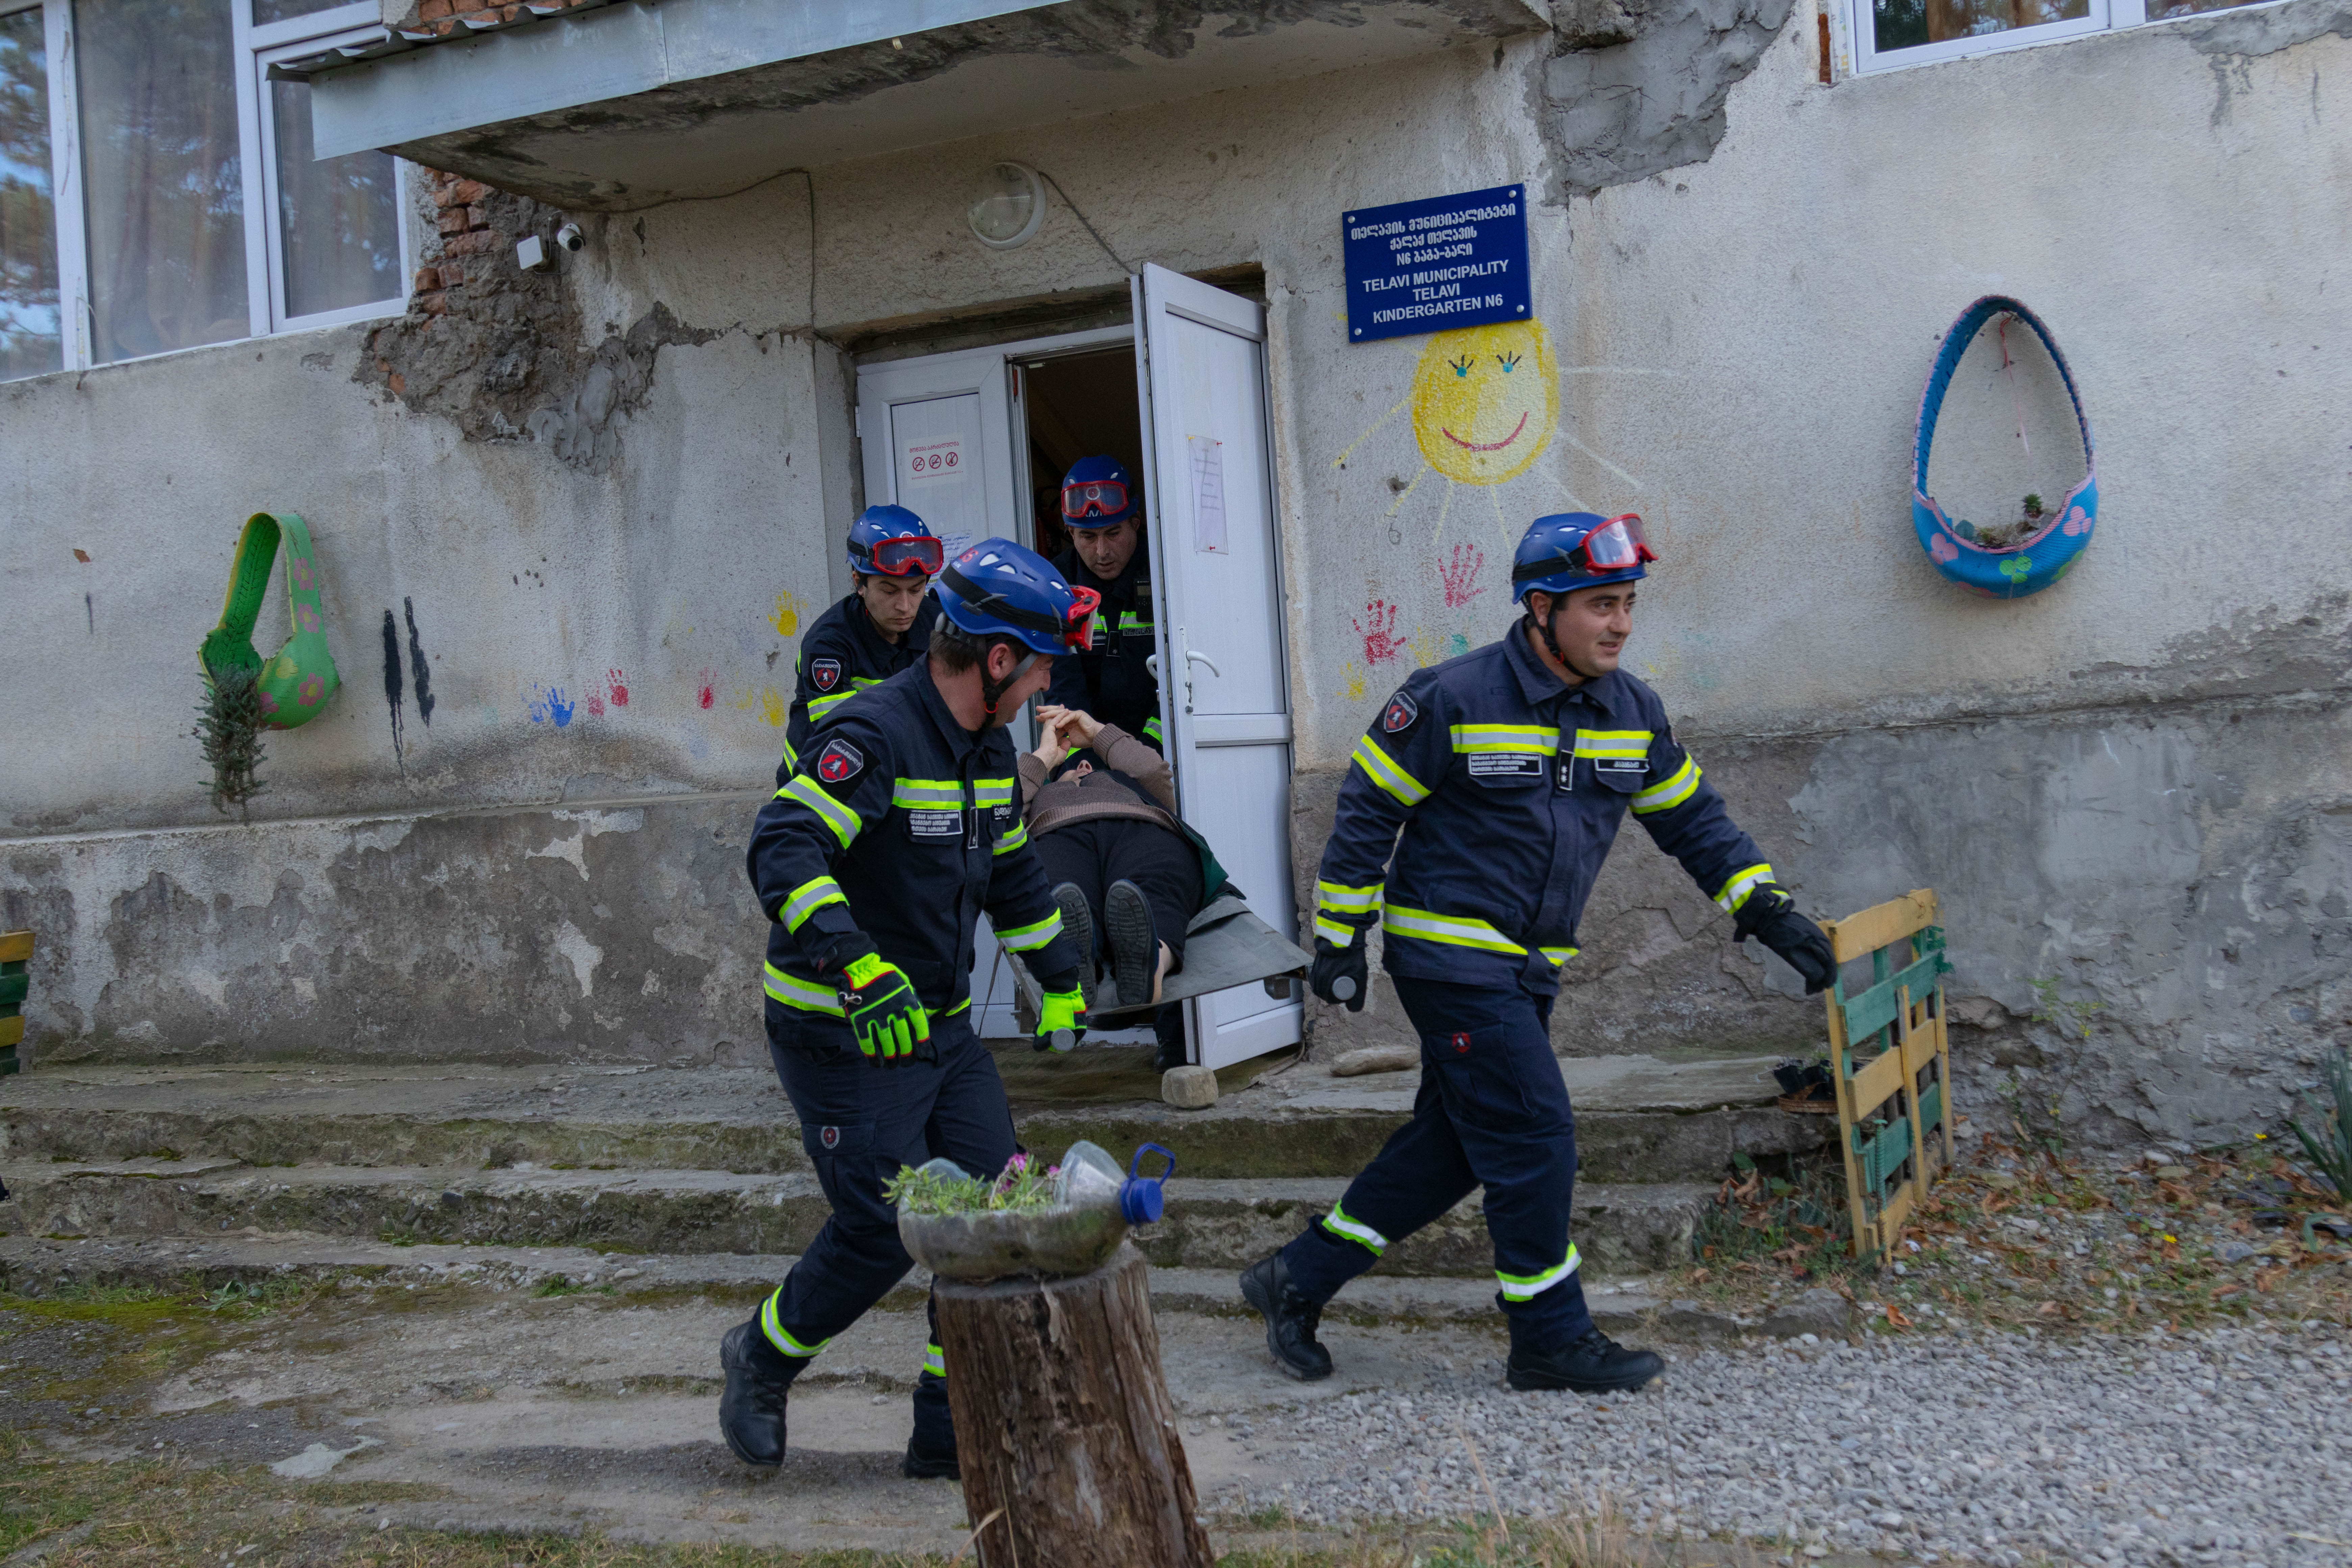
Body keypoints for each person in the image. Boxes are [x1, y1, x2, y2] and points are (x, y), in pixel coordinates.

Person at [1240, 512, 1837, 1395]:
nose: (1621, 624)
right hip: (1451, 959)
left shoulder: (1632, 712)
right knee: (1535, 1131)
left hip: (1531, 969)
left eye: (1628, 604)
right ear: (1542, 607)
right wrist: (1340, 934)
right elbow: (1368, 807)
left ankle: (1296, 1276)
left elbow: (1694, 822)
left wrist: (1765, 906)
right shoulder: (1452, 697)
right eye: (1602, 605)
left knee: (1453, 1148)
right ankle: (1549, 1337)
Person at [722, 537, 1099, 1480]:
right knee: (884, 1227)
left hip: (939, 1026)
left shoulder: (988, 748)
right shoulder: (873, 733)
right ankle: (762, 1356)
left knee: (1000, 1213)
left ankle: (947, 1422)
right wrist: (858, 967)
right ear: (999, 659)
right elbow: (784, 843)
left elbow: (1011, 871)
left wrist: (1059, 978)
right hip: (839, 1027)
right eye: (1041, 665)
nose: (1047, 684)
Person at [1018, 704, 1227, 1070]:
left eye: (1089, 764)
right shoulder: (1041, 800)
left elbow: (1152, 770)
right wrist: (1045, 758)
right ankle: (1076, 967)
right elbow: (999, 814)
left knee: (1154, 886)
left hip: (1140, 827)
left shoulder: (1130, 785)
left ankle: (1151, 965)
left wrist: (1097, 732)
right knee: (1061, 890)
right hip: (1059, 832)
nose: (1084, 765)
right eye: (1072, 768)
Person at [783, 504, 943, 772]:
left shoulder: (938, 624)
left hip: (900, 775)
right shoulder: (827, 644)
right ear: (859, 582)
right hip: (820, 781)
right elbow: (842, 738)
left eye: (916, 590)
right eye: (890, 591)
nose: (905, 607)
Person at [1044, 457, 1163, 755]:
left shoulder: (1166, 570)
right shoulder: (1056, 585)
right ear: (1071, 533)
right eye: (1088, 536)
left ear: (1136, 523)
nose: (1102, 552)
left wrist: (1144, 758)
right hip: (1087, 750)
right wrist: (1084, 768)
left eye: (1113, 534)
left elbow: (1180, 682)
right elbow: (1062, 688)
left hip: (1160, 749)